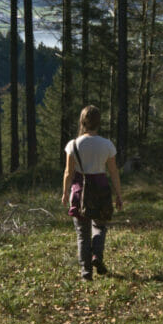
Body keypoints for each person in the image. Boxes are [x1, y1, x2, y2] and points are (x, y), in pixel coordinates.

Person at [61, 104, 123, 280]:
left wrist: (65, 192)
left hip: (80, 190)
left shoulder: (73, 145)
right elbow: (113, 172)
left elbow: (68, 172)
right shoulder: (107, 145)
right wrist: (118, 194)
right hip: (102, 188)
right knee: (100, 225)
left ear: (82, 121)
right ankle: (97, 254)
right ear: (98, 123)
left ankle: (86, 272)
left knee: (82, 233)